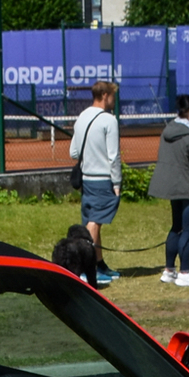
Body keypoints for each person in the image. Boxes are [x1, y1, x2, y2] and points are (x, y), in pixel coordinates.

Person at [150, 93, 189, 287]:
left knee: (176, 228)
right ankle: (185, 271)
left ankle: (169, 270)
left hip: (173, 188)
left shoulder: (168, 130)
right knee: (188, 230)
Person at [67, 80, 123, 286]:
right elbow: (114, 155)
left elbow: (73, 152)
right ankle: (84, 267)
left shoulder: (82, 116)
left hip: (86, 178)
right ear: (105, 96)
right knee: (94, 223)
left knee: (92, 220)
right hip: (102, 179)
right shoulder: (109, 120)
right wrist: (117, 181)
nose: (114, 101)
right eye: (113, 96)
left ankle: (99, 264)